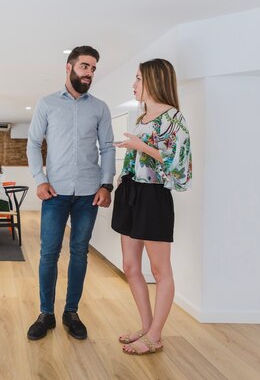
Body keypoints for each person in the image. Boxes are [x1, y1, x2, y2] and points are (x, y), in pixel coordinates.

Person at [26, 45, 116, 341]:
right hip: (55, 192)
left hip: (89, 193)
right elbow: (33, 143)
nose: (89, 73)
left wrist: (106, 184)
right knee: (49, 252)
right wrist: (39, 179)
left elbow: (107, 148)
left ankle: (71, 312)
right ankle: (46, 314)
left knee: (79, 252)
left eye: (92, 69)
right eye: (84, 67)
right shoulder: (47, 104)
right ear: (69, 67)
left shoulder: (100, 108)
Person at [111, 58, 192, 355]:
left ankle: (156, 335)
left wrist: (141, 147)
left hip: (154, 196)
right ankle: (146, 327)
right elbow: (141, 157)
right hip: (131, 192)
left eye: (138, 79)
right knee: (130, 266)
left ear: (154, 81)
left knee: (160, 270)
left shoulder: (174, 118)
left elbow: (179, 165)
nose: (134, 84)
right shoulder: (141, 117)